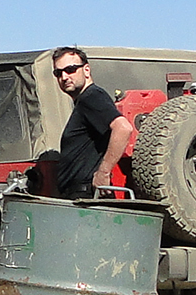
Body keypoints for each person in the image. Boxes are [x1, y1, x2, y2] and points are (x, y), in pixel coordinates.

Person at [52, 47, 135, 199]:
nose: (64, 77)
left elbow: (123, 128)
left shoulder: (92, 96)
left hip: (88, 197)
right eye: (58, 73)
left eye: (70, 69)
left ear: (87, 70)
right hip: (80, 196)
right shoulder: (83, 102)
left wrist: (104, 172)